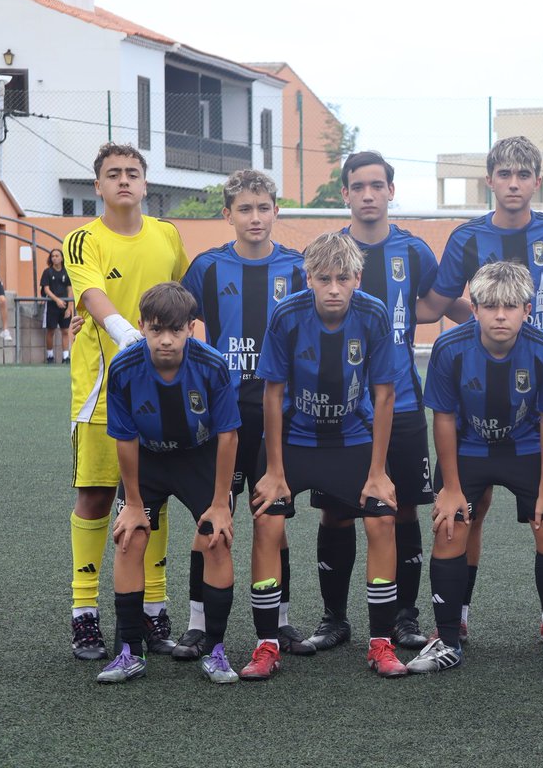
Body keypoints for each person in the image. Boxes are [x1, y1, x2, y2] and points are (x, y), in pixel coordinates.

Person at [415, 136, 543, 642]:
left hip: (537, 391)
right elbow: (437, 303)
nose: (513, 184)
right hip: (475, 395)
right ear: (489, 181)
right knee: (469, 510)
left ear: (538, 182)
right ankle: (457, 617)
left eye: (523, 175)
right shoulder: (467, 237)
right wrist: (478, 321)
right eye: (504, 175)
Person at [318, 151, 468, 653]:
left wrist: (486, 316)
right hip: (341, 410)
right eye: (357, 186)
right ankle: (334, 617)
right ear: (345, 193)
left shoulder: (414, 250)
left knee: (403, 511)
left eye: (376, 185)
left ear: (390, 191)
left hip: (401, 405)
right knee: (338, 514)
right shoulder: (329, 253)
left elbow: (431, 304)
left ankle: (405, 616)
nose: (367, 194)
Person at [407, 261, 543, 675]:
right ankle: (448, 637)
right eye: (489, 306)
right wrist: (450, 487)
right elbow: (445, 419)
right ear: (474, 309)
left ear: (528, 309)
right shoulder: (450, 348)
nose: (500, 315)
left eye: (509, 306)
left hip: (526, 450)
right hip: (469, 450)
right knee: (450, 524)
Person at [247, 232, 405, 679]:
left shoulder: (372, 314)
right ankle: (266, 645)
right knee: (267, 521)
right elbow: (272, 395)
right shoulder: (287, 314)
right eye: (324, 278)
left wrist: (378, 472)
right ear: (308, 278)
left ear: (357, 277)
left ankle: (380, 642)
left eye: (342, 278)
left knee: (382, 518)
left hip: (352, 439)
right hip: (295, 440)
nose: (333, 288)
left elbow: (385, 395)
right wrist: (275, 471)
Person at [179, 169, 313, 661]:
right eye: (245, 209)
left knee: (271, 522)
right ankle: (197, 623)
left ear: (276, 211)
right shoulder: (207, 268)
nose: (255, 218)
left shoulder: (299, 269)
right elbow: (175, 319)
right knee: (211, 518)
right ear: (227, 214)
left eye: (264, 208)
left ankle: (279, 622)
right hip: (223, 413)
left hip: (280, 412)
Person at [63, 142, 189, 661]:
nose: (123, 181)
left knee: (152, 501)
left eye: (132, 173)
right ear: (97, 185)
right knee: (95, 496)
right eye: (112, 174)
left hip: (161, 391)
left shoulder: (168, 235)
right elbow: (92, 294)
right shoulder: (81, 239)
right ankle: (84, 614)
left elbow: (180, 296)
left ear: (144, 182)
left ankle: (154, 612)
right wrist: (122, 331)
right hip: (101, 392)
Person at [96, 283, 241, 684]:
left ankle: (216, 650)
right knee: (130, 537)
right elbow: (124, 441)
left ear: (190, 328)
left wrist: (219, 504)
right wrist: (136, 504)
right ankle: (129, 651)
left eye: (175, 330)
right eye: (157, 329)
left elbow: (228, 436)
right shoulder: (124, 368)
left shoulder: (212, 366)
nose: (165, 339)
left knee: (216, 536)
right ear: (141, 326)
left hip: (200, 458)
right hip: (149, 461)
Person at [40, 248, 73, 363]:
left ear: (62, 258)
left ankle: (66, 357)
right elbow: (46, 289)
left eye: (57, 256)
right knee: (51, 331)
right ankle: (50, 356)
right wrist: (57, 300)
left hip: (64, 306)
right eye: (53, 256)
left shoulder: (67, 272)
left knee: (65, 331)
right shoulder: (47, 272)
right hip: (52, 306)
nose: (55, 258)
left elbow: (70, 289)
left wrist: (69, 307)